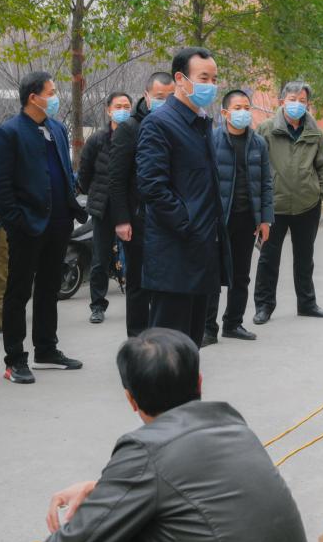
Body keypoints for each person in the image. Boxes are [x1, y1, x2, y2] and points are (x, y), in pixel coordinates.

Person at [32, 329, 309, 542]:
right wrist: (101, 488)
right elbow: (184, 483)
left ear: (130, 399)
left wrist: (103, 498)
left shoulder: (145, 450)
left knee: (118, 537)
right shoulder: (234, 426)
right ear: (199, 382)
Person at [0, 72, 87, 384]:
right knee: (19, 291)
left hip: (59, 222)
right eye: (51, 92)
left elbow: (65, 170)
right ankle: (15, 359)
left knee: (49, 287)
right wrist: (15, 222)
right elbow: (0, 184)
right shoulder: (9, 133)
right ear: (33, 97)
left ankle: (46, 349)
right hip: (27, 226)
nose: (56, 97)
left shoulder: (57, 128)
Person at [137, 48, 229, 346]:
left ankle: (188, 379)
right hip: (175, 254)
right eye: (204, 78)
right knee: (168, 346)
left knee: (191, 344)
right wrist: (188, 225)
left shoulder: (202, 123)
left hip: (201, 252)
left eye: (214, 78)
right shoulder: (159, 123)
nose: (211, 85)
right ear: (180, 78)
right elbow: (152, 187)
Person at [252, 81, 323, 325]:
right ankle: (264, 306)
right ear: (282, 101)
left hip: (307, 204)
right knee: (268, 258)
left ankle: (307, 303)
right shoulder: (266, 129)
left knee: (305, 257)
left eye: (302, 101)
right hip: (273, 206)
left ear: (308, 104)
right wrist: (259, 203)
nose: (297, 104)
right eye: (292, 99)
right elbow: (255, 166)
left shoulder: (314, 132)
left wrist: (320, 192)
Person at [203, 90, 274, 346]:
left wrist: (265, 219)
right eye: (237, 108)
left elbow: (266, 183)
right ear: (225, 113)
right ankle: (208, 329)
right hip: (217, 220)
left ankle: (233, 323)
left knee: (241, 275)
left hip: (247, 219)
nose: (243, 112)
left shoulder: (258, 143)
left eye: (246, 107)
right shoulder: (211, 140)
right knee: (212, 275)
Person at [109, 72, 175, 336]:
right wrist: (122, 219)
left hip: (169, 217)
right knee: (138, 282)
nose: (165, 102)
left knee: (166, 283)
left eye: (170, 97)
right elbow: (117, 178)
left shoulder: (178, 125)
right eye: (159, 97)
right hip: (138, 219)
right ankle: (137, 338)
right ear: (147, 96)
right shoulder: (130, 129)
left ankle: (162, 336)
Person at [78, 92, 133, 325]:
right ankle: (98, 305)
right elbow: (84, 173)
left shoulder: (136, 136)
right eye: (118, 106)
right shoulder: (97, 140)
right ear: (108, 110)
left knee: (135, 257)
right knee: (100, 259)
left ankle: (137, 302)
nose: (123, 110)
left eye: (127, 106)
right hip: (103, 207)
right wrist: (96, 193)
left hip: (129, 207)